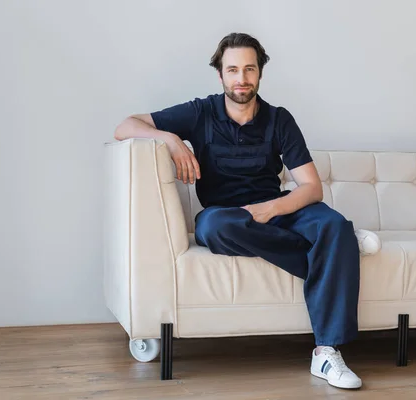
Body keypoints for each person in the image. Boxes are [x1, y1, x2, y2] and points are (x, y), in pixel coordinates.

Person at [114, 32, 362, 390]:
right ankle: (335, 256)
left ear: (260, 73)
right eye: (233, 70)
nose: (241, 78)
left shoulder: (279, 119)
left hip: (277, 210)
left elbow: (311, 187)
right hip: (227, 216)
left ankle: (326, 351)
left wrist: (268, 209)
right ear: (221, 75)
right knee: (213, 227)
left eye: (249, 69)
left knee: (335, 225)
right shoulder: (200, 112)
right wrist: (170, 139)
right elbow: (125, 126)